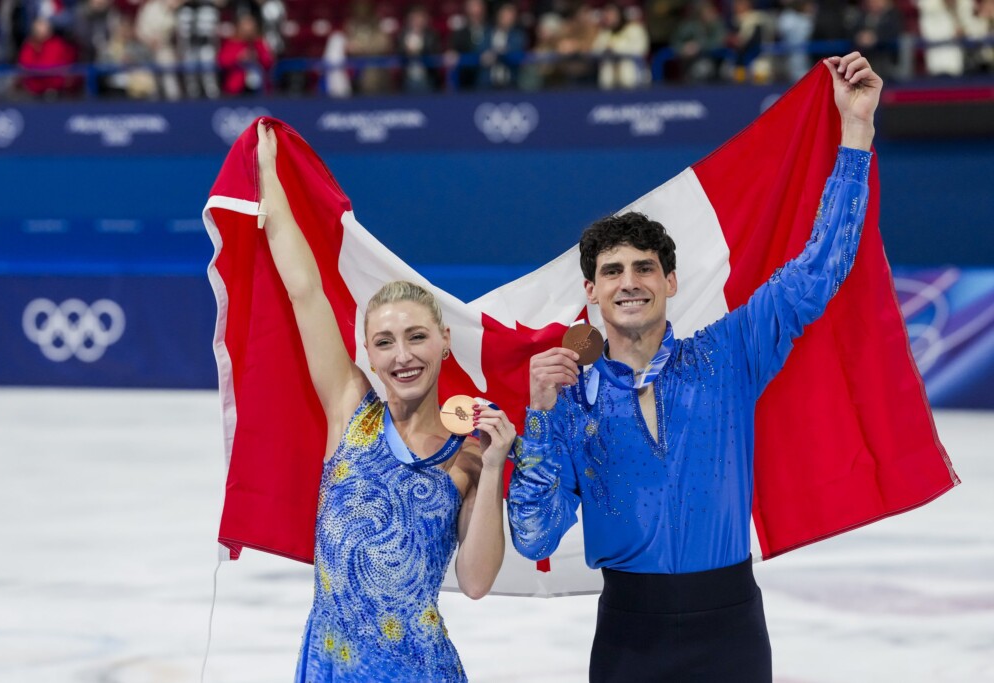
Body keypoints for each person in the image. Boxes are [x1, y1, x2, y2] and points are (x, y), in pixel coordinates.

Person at [507, 52, 882, 682]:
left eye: (645, 267)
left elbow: (821, 268)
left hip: (730, 629)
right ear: (591, 292)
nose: (631, 282)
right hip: (629, 636)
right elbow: (535, 538)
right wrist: (539, 423)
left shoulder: (730, 354)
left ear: (671, 280)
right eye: (612, 271)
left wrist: (857, 132)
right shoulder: (570, 401)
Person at [254, 120, 514, 682]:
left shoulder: (466, 454)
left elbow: (475, 583)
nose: (402, 356)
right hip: (330, 669)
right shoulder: (350, 406)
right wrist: (268, 177)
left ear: (445, 342)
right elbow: (303, 288)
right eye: (385, 342)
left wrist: (492, 469)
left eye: (417, 336)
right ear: (368, 356)